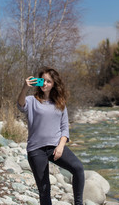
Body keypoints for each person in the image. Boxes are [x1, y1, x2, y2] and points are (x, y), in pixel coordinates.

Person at [17, 66, 84, 205]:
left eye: (49, 81)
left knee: (78, 168)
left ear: (54, 84)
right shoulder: (31, 100)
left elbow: (65, 128)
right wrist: (24, 88)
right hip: (36, 150)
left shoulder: (60, 103)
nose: (45, 84)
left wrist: (60, 146)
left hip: (55, 147)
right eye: (43, 80)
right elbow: (20, 105)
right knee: (44, 189)